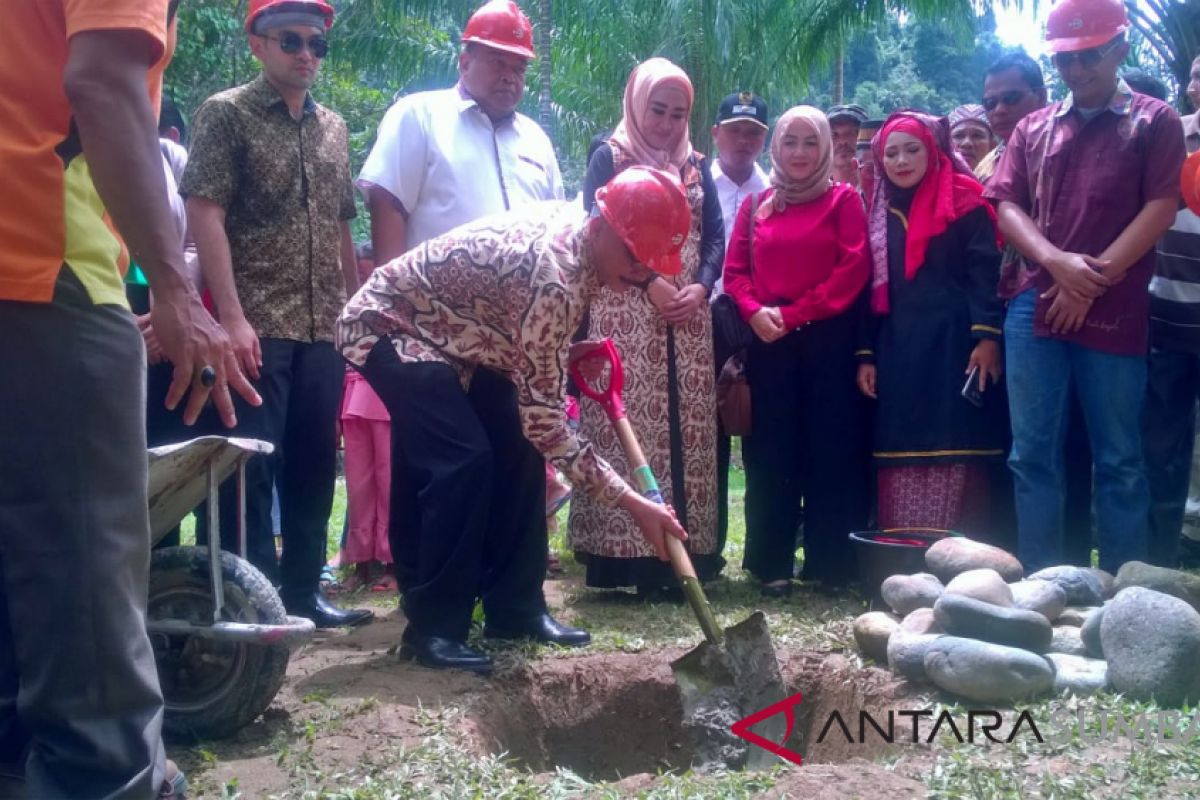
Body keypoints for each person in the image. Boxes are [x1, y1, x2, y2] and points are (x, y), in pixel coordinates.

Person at [0, 0, 258, 796]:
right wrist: (175, 290)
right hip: (43, 265)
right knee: (83, 558)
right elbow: (105, 83)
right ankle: (106, 778)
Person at [337, 166, 692, 672]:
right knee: (462, 460)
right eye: (634, 257)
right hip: (392, 324)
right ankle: (433, 628)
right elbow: (548, 423)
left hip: (461, 338)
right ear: (599, 228)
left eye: (648, 265)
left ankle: (515, 607)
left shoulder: (583, 244)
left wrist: (555, 352)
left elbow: (518, 325)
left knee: (517, 449)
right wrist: (633, 503)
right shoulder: (558, 278)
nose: (639, 273)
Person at [357, 0, 563, 585]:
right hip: (432, 331)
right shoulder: (420, 116)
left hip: (515, 334)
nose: (511, 77)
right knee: (447, 465)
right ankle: (433, 603)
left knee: (521, 457)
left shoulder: (537, 141)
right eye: (498, 62)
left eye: (520, 67)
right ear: (465, 57)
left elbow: (553, 235)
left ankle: (516, 603)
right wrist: (396, 313)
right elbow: (388, 202)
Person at [181, 0, 372, 628]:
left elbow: (344, 226)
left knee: (316, 462)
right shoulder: (225, 114)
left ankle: (302, 595)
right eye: (291, 41)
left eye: (318, 45)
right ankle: (248, 600)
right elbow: (205, 213)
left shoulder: (335, 129)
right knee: (251, 467)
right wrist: (229, 318)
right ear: (258, 44)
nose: (306, 55)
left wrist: (353, 315)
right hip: (256, 321)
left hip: (322, 326)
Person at [985, 0, 1184, 573]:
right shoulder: (1034, 127)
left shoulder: (1154, 121)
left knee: (1120, 457)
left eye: (1090, 55)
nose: (1077, 70)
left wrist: (1087, 280)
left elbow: (1161, 207)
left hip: (1116, 307)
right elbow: (1006, 204)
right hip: (1033, 304)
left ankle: (1127, 593)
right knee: (1032, 456)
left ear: (1121, 47)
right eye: (1066, 58)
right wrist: (1056, 264)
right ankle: (1042, 587)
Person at [571, 57, 725, 593]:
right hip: (624, 309)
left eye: (678, 115)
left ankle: (689, 554)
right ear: (638, 105)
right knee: (627, 425)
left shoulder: (696, 164)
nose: (665, 125)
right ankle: (624, 559)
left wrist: (701, 286)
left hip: (687, 319)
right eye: (657, 111)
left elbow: (714, 238)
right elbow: (596, 232)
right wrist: (649, 284)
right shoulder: (608, 157)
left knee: (690, 434)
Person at [724, 106, 870, 595]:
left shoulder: (844, 202)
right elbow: (735, 273)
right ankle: (772, 564)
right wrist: (753, 311)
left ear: (826, 147)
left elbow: (852, 271)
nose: (801, 153)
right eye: (791, 142)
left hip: (827, 339)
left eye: (811, 142)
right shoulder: (757, 204)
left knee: (830, 448)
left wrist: (793, 314)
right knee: (771, 451)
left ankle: (831, 563)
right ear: (777, 149)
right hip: (769, 342)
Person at [856, 112, 1006, 534]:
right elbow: (869, 285)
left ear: (935, 150)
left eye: (912, 149)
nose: (901, 161)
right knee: (902, 436)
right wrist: (866, 353)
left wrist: (987, 336)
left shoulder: (966, 201)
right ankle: (903, 548)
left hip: (956, 345)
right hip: (897, 347)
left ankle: (962, 551)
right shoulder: (877, 210)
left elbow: (984, 273)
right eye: (891, 153)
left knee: (957, 437)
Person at [979, 51, 1093, 562]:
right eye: (990, 102)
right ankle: (1039, 566)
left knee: (1087, 441)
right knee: (1029, 447)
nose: (999, 110)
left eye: (1011, 98)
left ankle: (1076, 559)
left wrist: (1069, 281)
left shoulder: (1069, 143)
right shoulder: (990, 162)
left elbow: (1084, 226)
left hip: (1086, 298)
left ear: (1041, 95)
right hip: (1017, 311)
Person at [1143, 54, 1200, 568]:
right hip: (1168, 313)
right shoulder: (1170, 136)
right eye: (1198, 75)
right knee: (1163, 440)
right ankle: (1160, 558)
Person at [709, 90, 769, 558]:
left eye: (753, 133)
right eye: (735, 131)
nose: (743, 141)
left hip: (758, 325)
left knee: (760, 436)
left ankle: (760, 552)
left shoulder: (774, 192)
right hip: (701, 322)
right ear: (716, 135)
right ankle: (706, 546)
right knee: (705, 440)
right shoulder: (692, 185)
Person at [339, 243, 396, 592]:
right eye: (360, 275)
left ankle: (393, 562)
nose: (364, 281)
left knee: (390, 480)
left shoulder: (400, 305)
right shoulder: (349, 307)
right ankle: (360, 561)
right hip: (352, 396)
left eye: (369, 274)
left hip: (388, 399)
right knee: (359, 483)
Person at [826, 103, 869, 189]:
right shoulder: (812, 195)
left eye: (853, 133)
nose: (842, 141)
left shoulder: (882, 196)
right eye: (834, 134)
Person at [948, 104, 996, 172]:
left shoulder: (1006, 180)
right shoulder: (932, 180)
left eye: (977, 136)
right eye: (958, 136)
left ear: (992, 146)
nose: (967, 143)